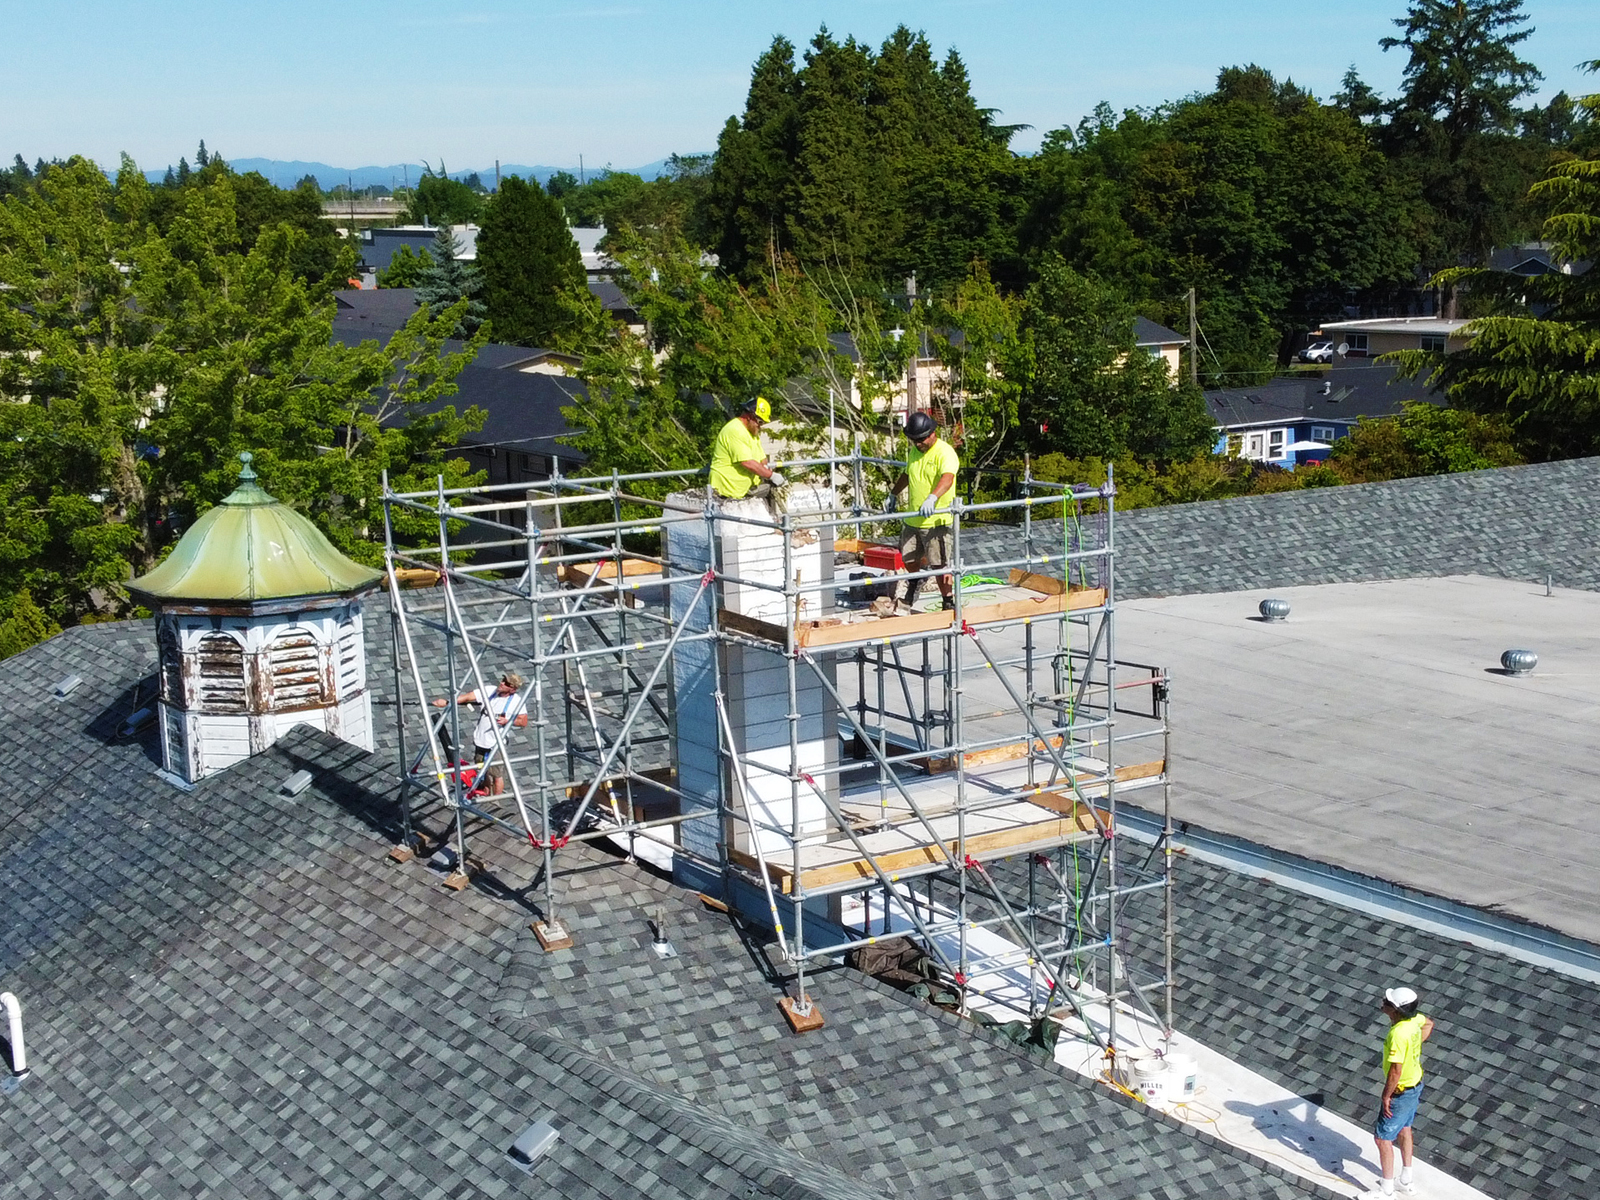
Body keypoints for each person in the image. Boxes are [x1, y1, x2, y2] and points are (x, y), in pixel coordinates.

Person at [883, 410, 959, 611]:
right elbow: (907, 475)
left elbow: (948, 478)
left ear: (932, 433)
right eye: (913, 440)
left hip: (936, 520)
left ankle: (948, 601)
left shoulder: (945, 452)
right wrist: (893, 494)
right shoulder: (915, 452)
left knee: (940, 563)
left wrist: (933, 498)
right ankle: (915, 584)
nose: (917, 444)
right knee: (908, 557)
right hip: (913, 519)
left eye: (920, 440)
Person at [1373, 985, 1435, 1196]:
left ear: (1396, 1010)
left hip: (1401, 1092)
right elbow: (1428, 1024)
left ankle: (1387, 1190)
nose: (1383, 1003)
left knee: (1382, 1139)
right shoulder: (1414, 1020)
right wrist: (1415, 1045)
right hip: (1415, 1086)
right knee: (1404, 1128)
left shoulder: (1398, 1034)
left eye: (1387, 1003)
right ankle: (1406, 1180)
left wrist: (1386, 1096)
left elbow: (1395, 1071)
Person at [432, 672, 528, 797]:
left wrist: (508, 721)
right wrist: (447, 702)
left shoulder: (516, 702)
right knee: (483, 770)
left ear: (512, 689)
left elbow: (523, 721)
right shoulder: (490, 691)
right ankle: (487, 794)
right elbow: (467, 697)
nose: (502, 683)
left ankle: (495, 800)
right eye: (503, 680)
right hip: (481, 740)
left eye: (506, 683)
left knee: (496, 774)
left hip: (496, 744)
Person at [708, 396, 785, 500]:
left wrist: (765, 469)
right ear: (749, 417)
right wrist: (771, 475)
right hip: (725, 492)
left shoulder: (752, 433)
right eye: (760, 422)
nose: (760, 426)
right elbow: (747, 462)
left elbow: (762, 459)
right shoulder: (735, 430)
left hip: (742, 492)